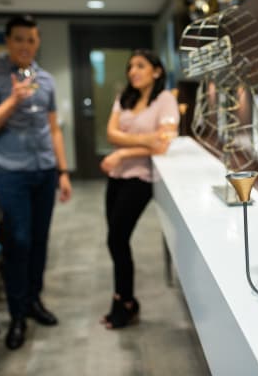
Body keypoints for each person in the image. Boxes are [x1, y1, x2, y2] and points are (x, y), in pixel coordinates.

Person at [0, 15, 72, 350]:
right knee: (18, 241)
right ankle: (16, 314)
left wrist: (63, 171)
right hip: (11, 172)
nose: (25, 46)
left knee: (40, 241)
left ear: (37, 41)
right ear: (8, 41)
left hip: (44, 172)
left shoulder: (46, 79)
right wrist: (13, 99)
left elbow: (53, 128)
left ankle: (33, 301)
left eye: (30, 39)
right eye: (18, 39)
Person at [99, 49, 178, 329]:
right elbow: (110, 134)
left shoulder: (165, 99)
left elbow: (164, 144)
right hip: (116, 176)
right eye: (131, 66)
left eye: (140, 65)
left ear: (156, 71)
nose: (133, 71)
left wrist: (122, 152)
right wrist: (147, 138)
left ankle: (125, 301)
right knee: (116, 240)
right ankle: (125, 300)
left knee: (117, 239)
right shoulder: (125, 97)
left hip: (141, 177)